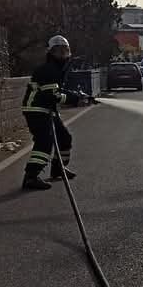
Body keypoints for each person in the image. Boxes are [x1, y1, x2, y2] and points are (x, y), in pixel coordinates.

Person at [20, 35, 85, 190]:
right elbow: (53, 96)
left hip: (48, 110)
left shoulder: (57, 69)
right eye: (58, 52)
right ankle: (31, 177)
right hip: (36, 110)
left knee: (64, 139)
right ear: (51, 53)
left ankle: (58, 170)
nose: (62, 55)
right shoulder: (48, 70)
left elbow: (57, 91)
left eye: (65, 51)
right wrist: (75, 100)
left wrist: (79, 96)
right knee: (44, 142)